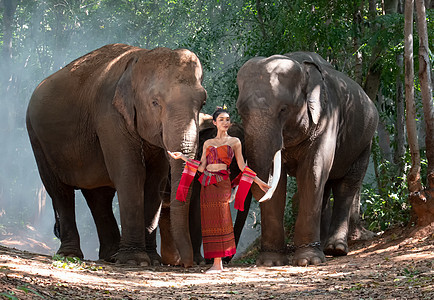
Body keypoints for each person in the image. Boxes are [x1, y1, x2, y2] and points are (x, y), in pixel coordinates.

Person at [168, 107, 270, 273]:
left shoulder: (235, 142)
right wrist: (183, 157)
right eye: (221, 119)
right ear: (214, 123)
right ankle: (216, 264)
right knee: (209, 223)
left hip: (223, 184)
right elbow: (201, 168)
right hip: (207, 185)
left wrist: (258, 182)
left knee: (222, 221)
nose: (225, 122)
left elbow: (242, 167)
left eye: (227, 119)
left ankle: (218, 264)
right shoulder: (208, 143)